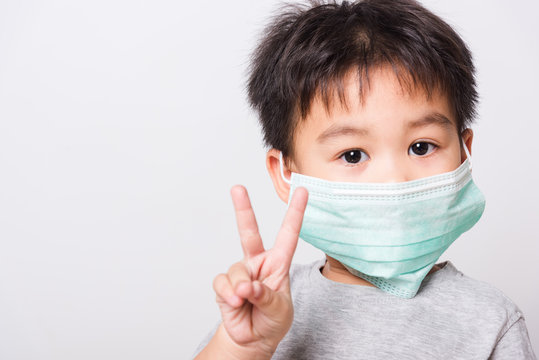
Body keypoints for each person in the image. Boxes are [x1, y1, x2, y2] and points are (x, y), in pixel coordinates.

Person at [192, 0, 537, 358]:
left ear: (464, 153)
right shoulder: (265, 303)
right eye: (352, 155)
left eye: (421, 147)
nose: (393, 180)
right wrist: (241, 346)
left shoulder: (490, 322)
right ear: (288, 174)